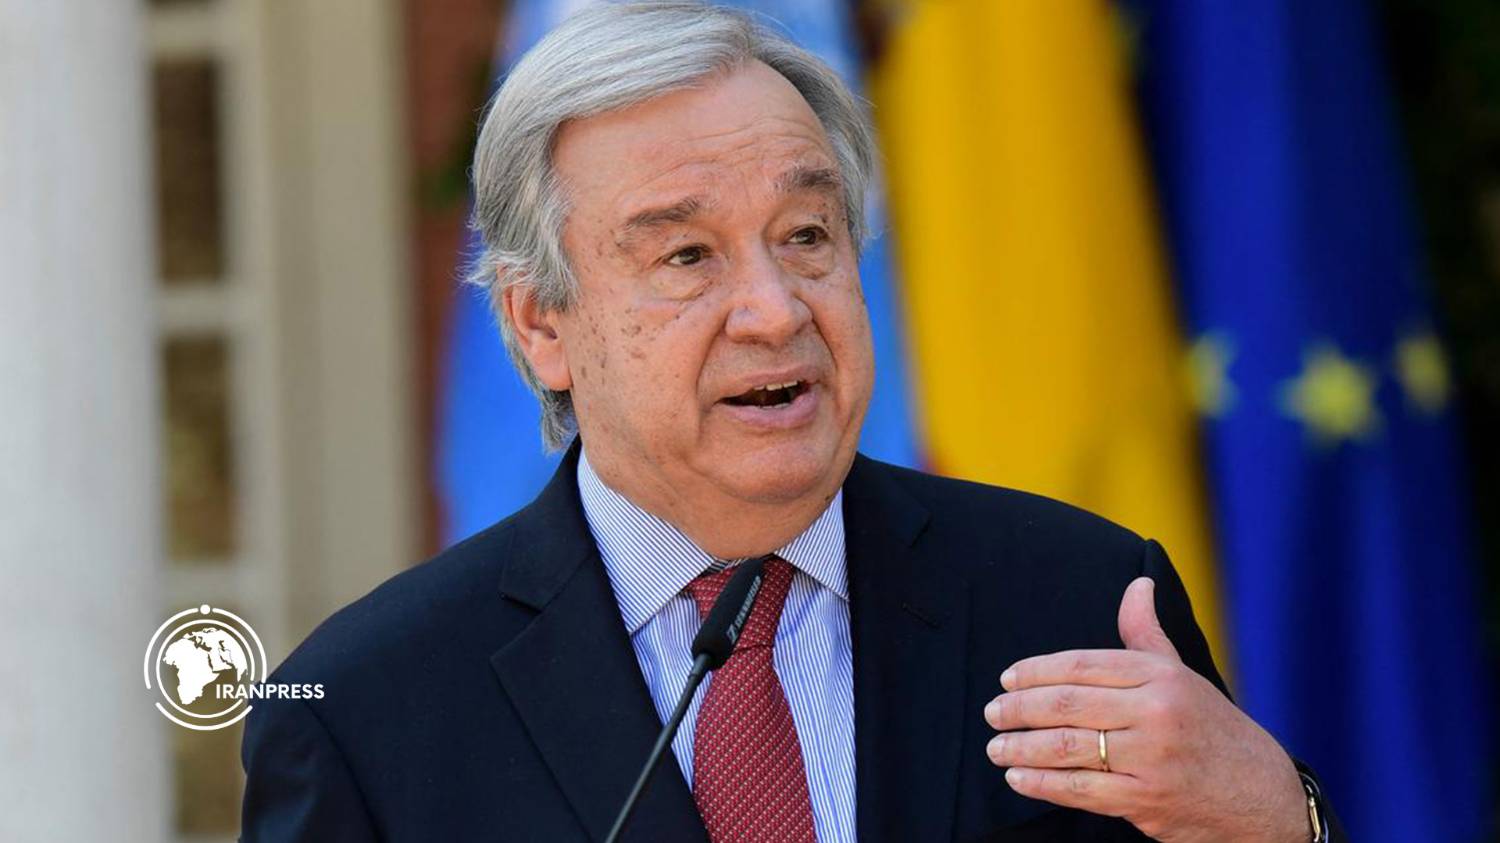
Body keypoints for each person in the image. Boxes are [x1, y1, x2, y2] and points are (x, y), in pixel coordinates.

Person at [240, 3, 1344, 841]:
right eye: (687, 255)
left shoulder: (1077, 599)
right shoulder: (366, 713)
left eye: (808, 235)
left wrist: (1280, 819)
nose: (776, 311)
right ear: (541, 324)